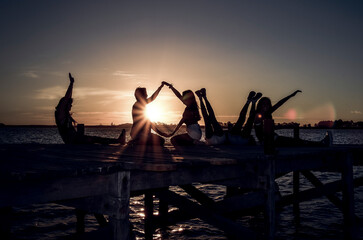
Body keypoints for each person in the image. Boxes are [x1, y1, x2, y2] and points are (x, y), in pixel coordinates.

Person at [55, 73, 125, 144]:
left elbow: (67, 99)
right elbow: (66, 98)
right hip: (73, 141)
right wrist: (71, 84)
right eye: (70, 105)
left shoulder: (63, 114)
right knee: (94, 139)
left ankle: (118, 141)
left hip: (76, 139)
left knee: (95, 139)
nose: (71, 106)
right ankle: (118, 141)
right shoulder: (60, 113)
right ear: (64, 105)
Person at [254, 90, 333, 146]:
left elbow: (280, 103)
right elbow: (263, 130)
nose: (265, 106)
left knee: (297, 141)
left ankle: (320, 143)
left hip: (273, 139)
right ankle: (321, 144)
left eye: (267, 104)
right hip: (268, 142)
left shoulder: (268, 113)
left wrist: (291, 95)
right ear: (259, 105)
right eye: (263, 104)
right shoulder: (258, 115)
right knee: (296, 142)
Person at [195, 88, 261, 145]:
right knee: (245, 121)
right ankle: (251, 102)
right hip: (238, 140)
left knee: (209, 120)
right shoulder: (230, 134)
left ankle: (203, 98)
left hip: (216, 139)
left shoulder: (225, 134)